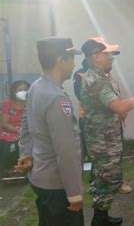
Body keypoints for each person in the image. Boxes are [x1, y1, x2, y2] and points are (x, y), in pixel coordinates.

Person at [80, 37, 134, 225]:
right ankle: (99, 221)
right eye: (108, 54)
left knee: (103, 177)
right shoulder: (96, 80)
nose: (112, 58)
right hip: (102, 141)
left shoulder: (100, 77)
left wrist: (118, 113)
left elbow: (112, 105)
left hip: (105, 137)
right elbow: (120, 107)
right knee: (106, 177)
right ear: (95, 56)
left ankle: (102, 217)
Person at [16, 38, 83, 226]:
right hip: (57, 185)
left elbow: (26, 125)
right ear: (60, 60)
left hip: (41, 178)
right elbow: (66, 151)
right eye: (71, 58)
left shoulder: (36, 87)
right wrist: (74, 193)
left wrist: (26, 155)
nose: (74, 63)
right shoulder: (56, 98)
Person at [0, 80, 29, 177]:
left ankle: (23, 166)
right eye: (20, 90)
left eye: (25, 90)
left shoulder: (31, 103)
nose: (23, 92)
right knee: (9, 142)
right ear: (14, 91)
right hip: (10, 129)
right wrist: (18, 130)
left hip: (26, 128)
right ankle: (8, 168)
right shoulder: (8, 104)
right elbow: (4, 123)